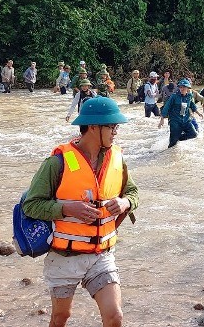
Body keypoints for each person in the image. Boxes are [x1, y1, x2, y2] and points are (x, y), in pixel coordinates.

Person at [22, 96, 139, 327]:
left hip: (101, 255)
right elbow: (31, 205)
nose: (116, 131)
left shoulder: (117, 158)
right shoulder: (57, 163)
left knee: (115, 316)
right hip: (65, 256)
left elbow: (133, 192)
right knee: (60, 317)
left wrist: (125, 203)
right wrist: (66, 208)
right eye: (112, 126)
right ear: (93, 127)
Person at [158, 79, 202, 148]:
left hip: (186, 120)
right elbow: (167, 107)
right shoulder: (174, 96)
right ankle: (168, 154)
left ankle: (178, 138)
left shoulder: (189, 96)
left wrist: (198, 113)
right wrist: (162, 118)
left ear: (188, 88)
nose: (182, 89)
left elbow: (192, 105)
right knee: (172, 144)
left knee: (194, 134)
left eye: (184, 87)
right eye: (180, 87)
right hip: (175, 121)